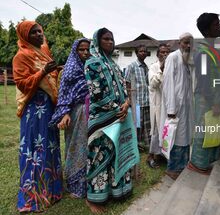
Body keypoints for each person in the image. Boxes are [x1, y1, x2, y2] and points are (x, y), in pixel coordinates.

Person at [13, 20, 62, 212]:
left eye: (40, 31)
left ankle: (53, 191)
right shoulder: (21, 56)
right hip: (34, 110)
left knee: (50, 146)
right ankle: (33, 197)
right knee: (35, 148)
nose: (40, 35)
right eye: (34, 32)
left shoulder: (43, 51)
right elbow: (22, 84)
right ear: (25, 35)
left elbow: (51, 79)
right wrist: (43, 71)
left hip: (49, 108)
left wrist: (55, 71)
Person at [85, 28, 134, 213]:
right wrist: (117, 109)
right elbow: (96, 93)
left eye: (112, 39)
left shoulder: (113, 64)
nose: (110, 42)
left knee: (115, 154)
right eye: (106, 39)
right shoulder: (92, 63)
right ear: (97, 41)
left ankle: (116, 191)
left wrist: (127, 103)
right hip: (101, 119)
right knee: (98, 156)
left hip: (119, 117)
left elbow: (123, 87)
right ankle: (93, 199)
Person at [49, 38, 91, 198]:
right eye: (82, 49)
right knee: (75, 146)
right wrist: (65, 113)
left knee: (86, 147)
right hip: (75, 113)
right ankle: (74, 184)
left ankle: (86, 183)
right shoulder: (70, 69)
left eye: (87, 49)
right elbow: (64, 93)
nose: (85, 52)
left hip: (88, 112)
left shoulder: (89, 67)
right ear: (75, 50)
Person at [187, 13, 220, 174]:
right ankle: (197, 164)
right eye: (217, 24)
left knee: (212, 128)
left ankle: (206, 161)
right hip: (206, 97)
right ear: (208, 30)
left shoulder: (211, 49)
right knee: (203, 130)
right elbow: (204, 81)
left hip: (214, 96)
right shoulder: (203, 52)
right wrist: (214, 102)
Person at [160, 32, 194, 180]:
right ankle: (172, 169)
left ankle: (183, 165)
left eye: (190, 43)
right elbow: (168, 82)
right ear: (180, 43)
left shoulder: (187, 59)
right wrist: (171, 109)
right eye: (185, 42)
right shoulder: (173, 57)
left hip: (186, 106)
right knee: (176, 137)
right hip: (175, 107)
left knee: (185, 136)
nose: (188, 45)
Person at [148, 43, 170, 168]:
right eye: (162, 52)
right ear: (157, 54)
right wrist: (161, 70)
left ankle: (162, 155)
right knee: (156, 130)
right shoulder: (154, 67)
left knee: (166, 131)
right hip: (157, 105)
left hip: (168, 105)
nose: (165, 54)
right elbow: (153, 85)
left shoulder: (171, 67)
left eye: (167, 52)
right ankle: (150, 156)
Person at [125, 45, 150, 150]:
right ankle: (136, 144)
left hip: (146, 100)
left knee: (146, 125)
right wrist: (130, 99)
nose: (143, 53)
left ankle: (143, 144)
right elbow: (127, 82)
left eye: (145, 51)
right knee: (137, 124)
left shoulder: (146, 67)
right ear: (136, 53)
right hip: (137, 101)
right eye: (141, 51)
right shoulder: (132, 66)